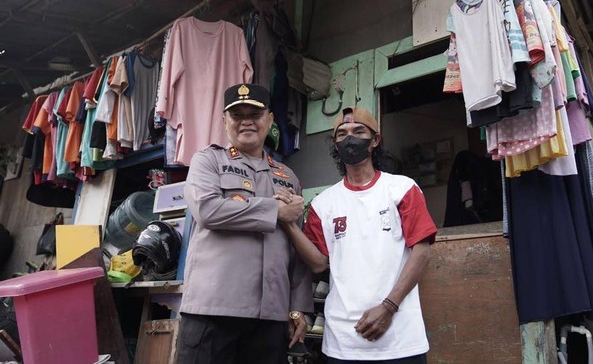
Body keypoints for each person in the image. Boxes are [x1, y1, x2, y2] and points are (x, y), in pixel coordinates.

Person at [275, 107, 438, 364]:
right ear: (336, 145)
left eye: (358, 131)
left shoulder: (402, 188)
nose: (350, 138)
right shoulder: (323, 204)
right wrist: (289, 224)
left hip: (400, 338)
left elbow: (422, 251)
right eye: (342, 134)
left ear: (375, 141)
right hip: (342, 342)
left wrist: (388, 307)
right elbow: (318, 263)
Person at [178, 83, 313, 364]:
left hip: (271, 315)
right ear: (224, 121)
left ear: (270, 119)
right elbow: (208, 210)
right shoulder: (208, 161)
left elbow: (296, 245)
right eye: (237, 115)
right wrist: (273, 210)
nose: (246, 121)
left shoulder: (288, 176)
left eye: (255, 113)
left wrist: (299, 307)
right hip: (213, 309)